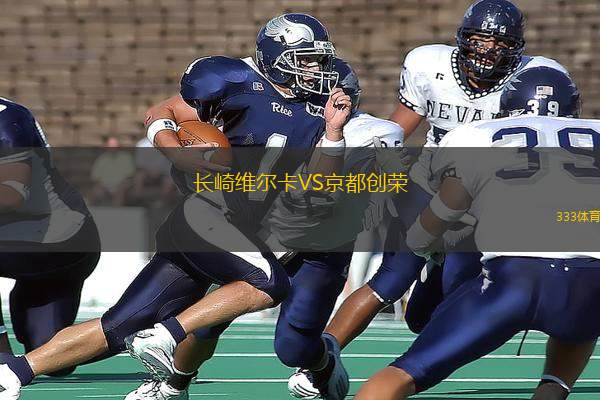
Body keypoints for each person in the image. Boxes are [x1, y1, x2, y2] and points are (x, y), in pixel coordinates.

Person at [0, 13, 352, 400]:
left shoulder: (323, 106)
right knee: (269, 283)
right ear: (273, 56)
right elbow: (160, 114)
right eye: (305, 59)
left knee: (117, 327)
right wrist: (178, 154)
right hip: (210, 214)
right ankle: (167, 336)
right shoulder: (234, 80)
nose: (315, 69)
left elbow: (321, 181)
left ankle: (13, 373)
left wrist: (334, 133)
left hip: (229, 228)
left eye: (318, 60)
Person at [317, 1, 572, 393]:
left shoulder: (537, 78)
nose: (488, 50)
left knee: (431, 314)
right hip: (432, 184)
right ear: (462, 39)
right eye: (480, 39)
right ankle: (318, 361)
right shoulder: (428, 65)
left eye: (500, 43)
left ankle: (435, 276)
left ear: (516, 48)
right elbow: (399, 128)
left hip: (487, 202)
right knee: (390, 278)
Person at [123, 58, 407, 400]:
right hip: (266, 228)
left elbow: (326, 194)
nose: (313, 98)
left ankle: (324, 364)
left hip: (321, 245)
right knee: (211, 320)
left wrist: (332, 139)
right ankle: (173, 385)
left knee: (293, 345)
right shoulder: (277, 112)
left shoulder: (373, 133)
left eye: (323, 92)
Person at [356, 66, 599, 400]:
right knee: (580, 323)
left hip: (513, 279)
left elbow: (447, 208)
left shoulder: (477, 134)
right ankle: (553, 389)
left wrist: (421, 245)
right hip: (591, 280)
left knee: (402, 374)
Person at [0, 98, 100, 377]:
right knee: (53, 358)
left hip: (61, 241)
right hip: (24, 240)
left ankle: (2, 361)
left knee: (54, 357)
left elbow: (11, 195)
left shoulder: (6, 117)